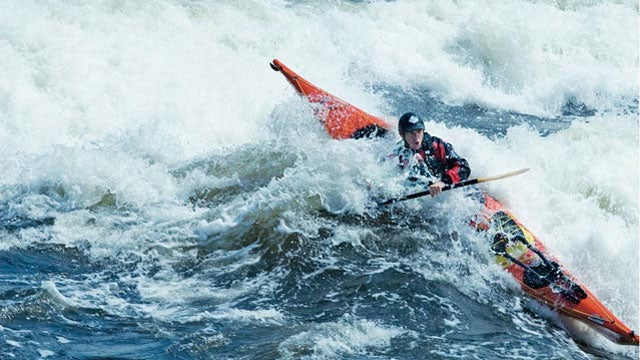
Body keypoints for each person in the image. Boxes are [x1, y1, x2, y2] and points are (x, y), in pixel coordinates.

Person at [389, 112, 471, 197]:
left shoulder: (437, 146)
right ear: (401, 134)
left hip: (449, 188)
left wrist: (443, 182)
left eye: (419, 131)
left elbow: (464, 167)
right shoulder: (399, 152)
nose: (416, 138)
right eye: (411, 133)